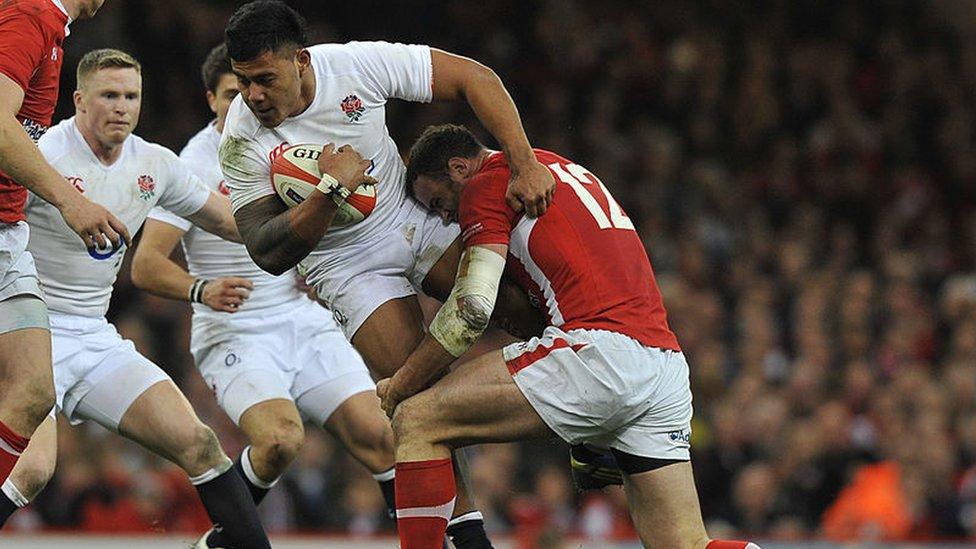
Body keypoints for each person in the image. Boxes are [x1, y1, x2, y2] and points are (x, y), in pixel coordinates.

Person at [219, 2, 553, 545]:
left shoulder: (356, 66)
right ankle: (470, 538)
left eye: (264, 79)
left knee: (522, 308)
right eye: (242, 82)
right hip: (344, 265)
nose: (253, 95)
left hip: (412, 218)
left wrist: (523, 161)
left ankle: (590, 431)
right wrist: (331, 191)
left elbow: (474, 77)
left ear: (301, 61)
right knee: (418, 397)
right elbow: (265, 249)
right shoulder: (240, 138)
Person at [376, 124, 762, 549]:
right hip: (663, 366)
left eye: (439, 203)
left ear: (459, 168)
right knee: (687, 544)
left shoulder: (486, 185)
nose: (446, 217)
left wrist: (402, 383)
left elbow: (472, 309)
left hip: (600, 351)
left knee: (417, 419)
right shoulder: (554, 165)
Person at [0, 48, 272, 549]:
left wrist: (314, 210)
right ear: (79, 101)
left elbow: (230, 221)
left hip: (94, 336)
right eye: (109, 95)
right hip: (29, 332)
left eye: (131, 96)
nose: (121, 107)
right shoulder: (42, 154)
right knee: (32, 469)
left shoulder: (155, 164)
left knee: (199, 444)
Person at [131, 43, 398, 548]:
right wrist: (200, 288)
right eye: (231, 94)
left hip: (298, 317)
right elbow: (145, 265)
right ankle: (225, 541)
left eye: (251, 93)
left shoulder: (285, 141)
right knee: (279, 441)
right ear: (211, 97)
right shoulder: (192, 164)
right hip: (235, 329)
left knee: (382, 437)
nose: (244, 106)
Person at [0, 0, 129, 489]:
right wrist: (70, 202)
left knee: (33, 393)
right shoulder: (30, 15)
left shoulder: (49, 27)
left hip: (8, 233)